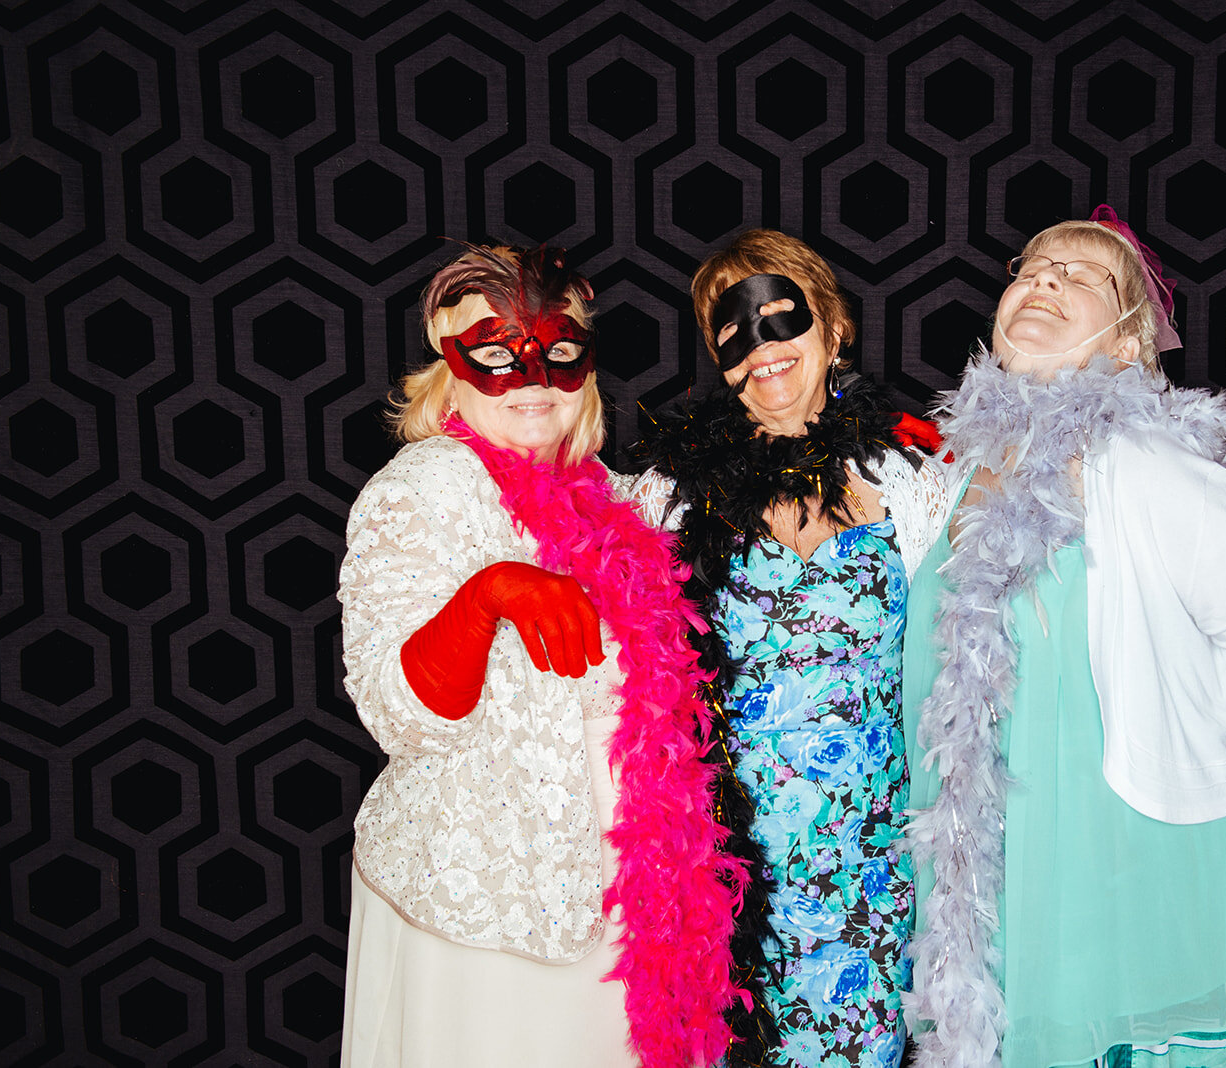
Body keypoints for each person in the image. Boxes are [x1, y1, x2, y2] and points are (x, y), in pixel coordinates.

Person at [902, 206, 1226, 1068]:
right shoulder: (950, 474)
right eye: (1031, 267)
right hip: (1005, 896)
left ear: (1131, 347)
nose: (1046, 279)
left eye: (1085, 276)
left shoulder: (1154, 468)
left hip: (1143, 889)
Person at [337, 244, 740, 1068]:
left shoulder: (621, 499)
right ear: (450, 370)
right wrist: (490, 592)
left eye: (557, 353)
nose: (530, 379)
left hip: (634, 897)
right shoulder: (420, 491)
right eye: (494, 354)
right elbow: (401, 718)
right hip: (485, 908)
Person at [633, 229, 954, 1068]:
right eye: (732, 334)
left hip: (877, 865)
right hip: (737, 884)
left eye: (782, 319)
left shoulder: (916, 479)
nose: (761, 350)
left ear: (833, 327)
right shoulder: (668, 498)